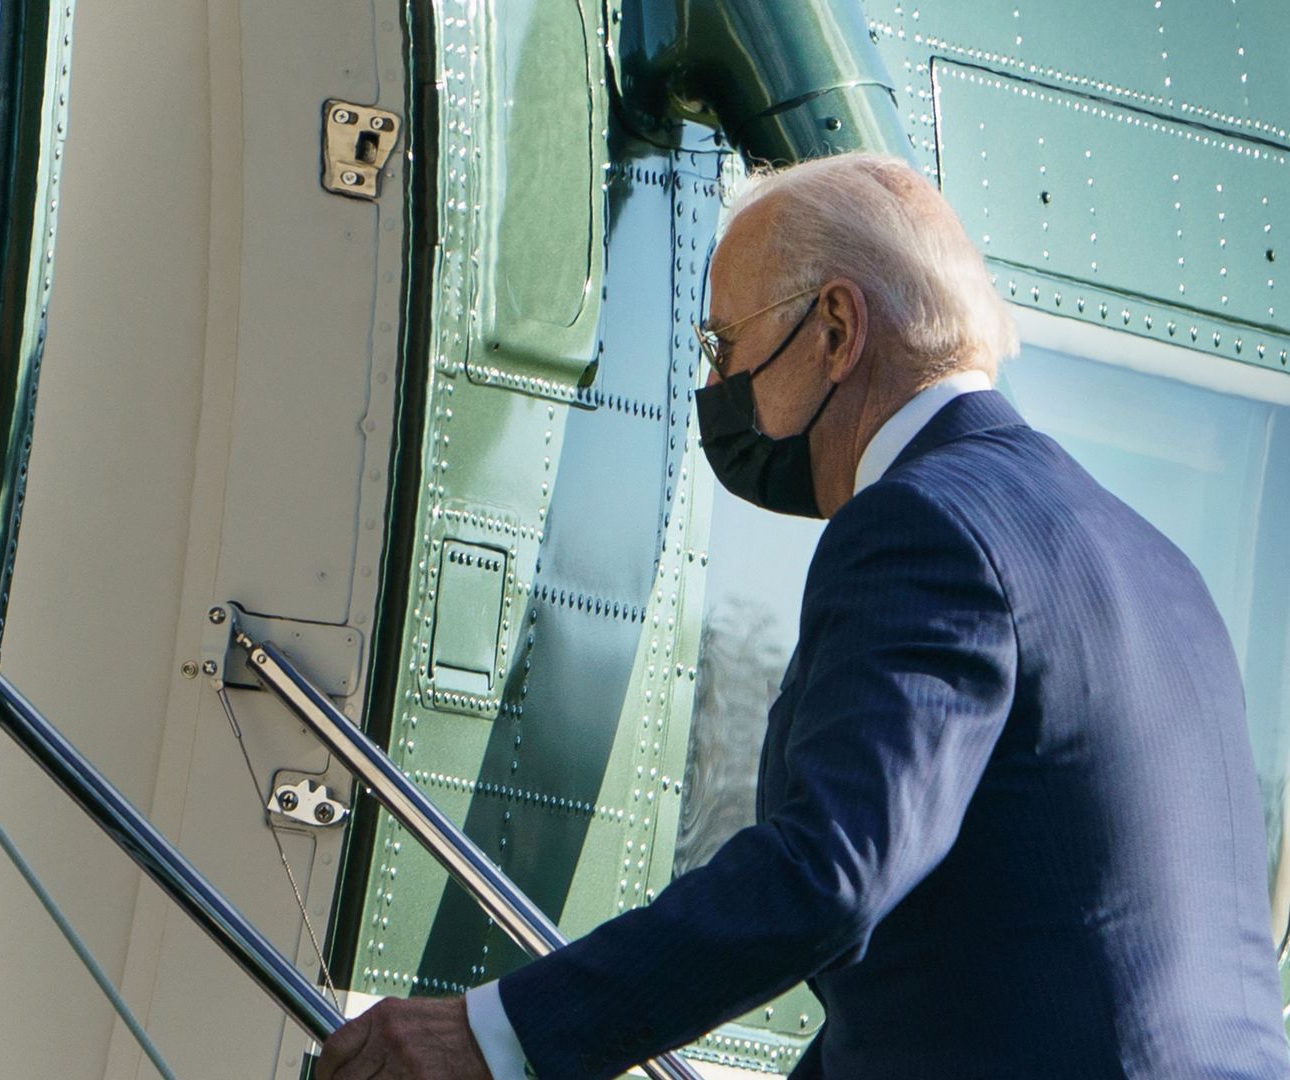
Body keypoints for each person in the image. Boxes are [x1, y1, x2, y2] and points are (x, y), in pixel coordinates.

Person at [319, 152, 1290, 1079]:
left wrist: (501, 1037)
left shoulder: (924, 524)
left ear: (835, 328)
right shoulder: (1162, 570)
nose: (715, 388)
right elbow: (961, 964)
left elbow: (832, 869)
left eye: (724, 344)